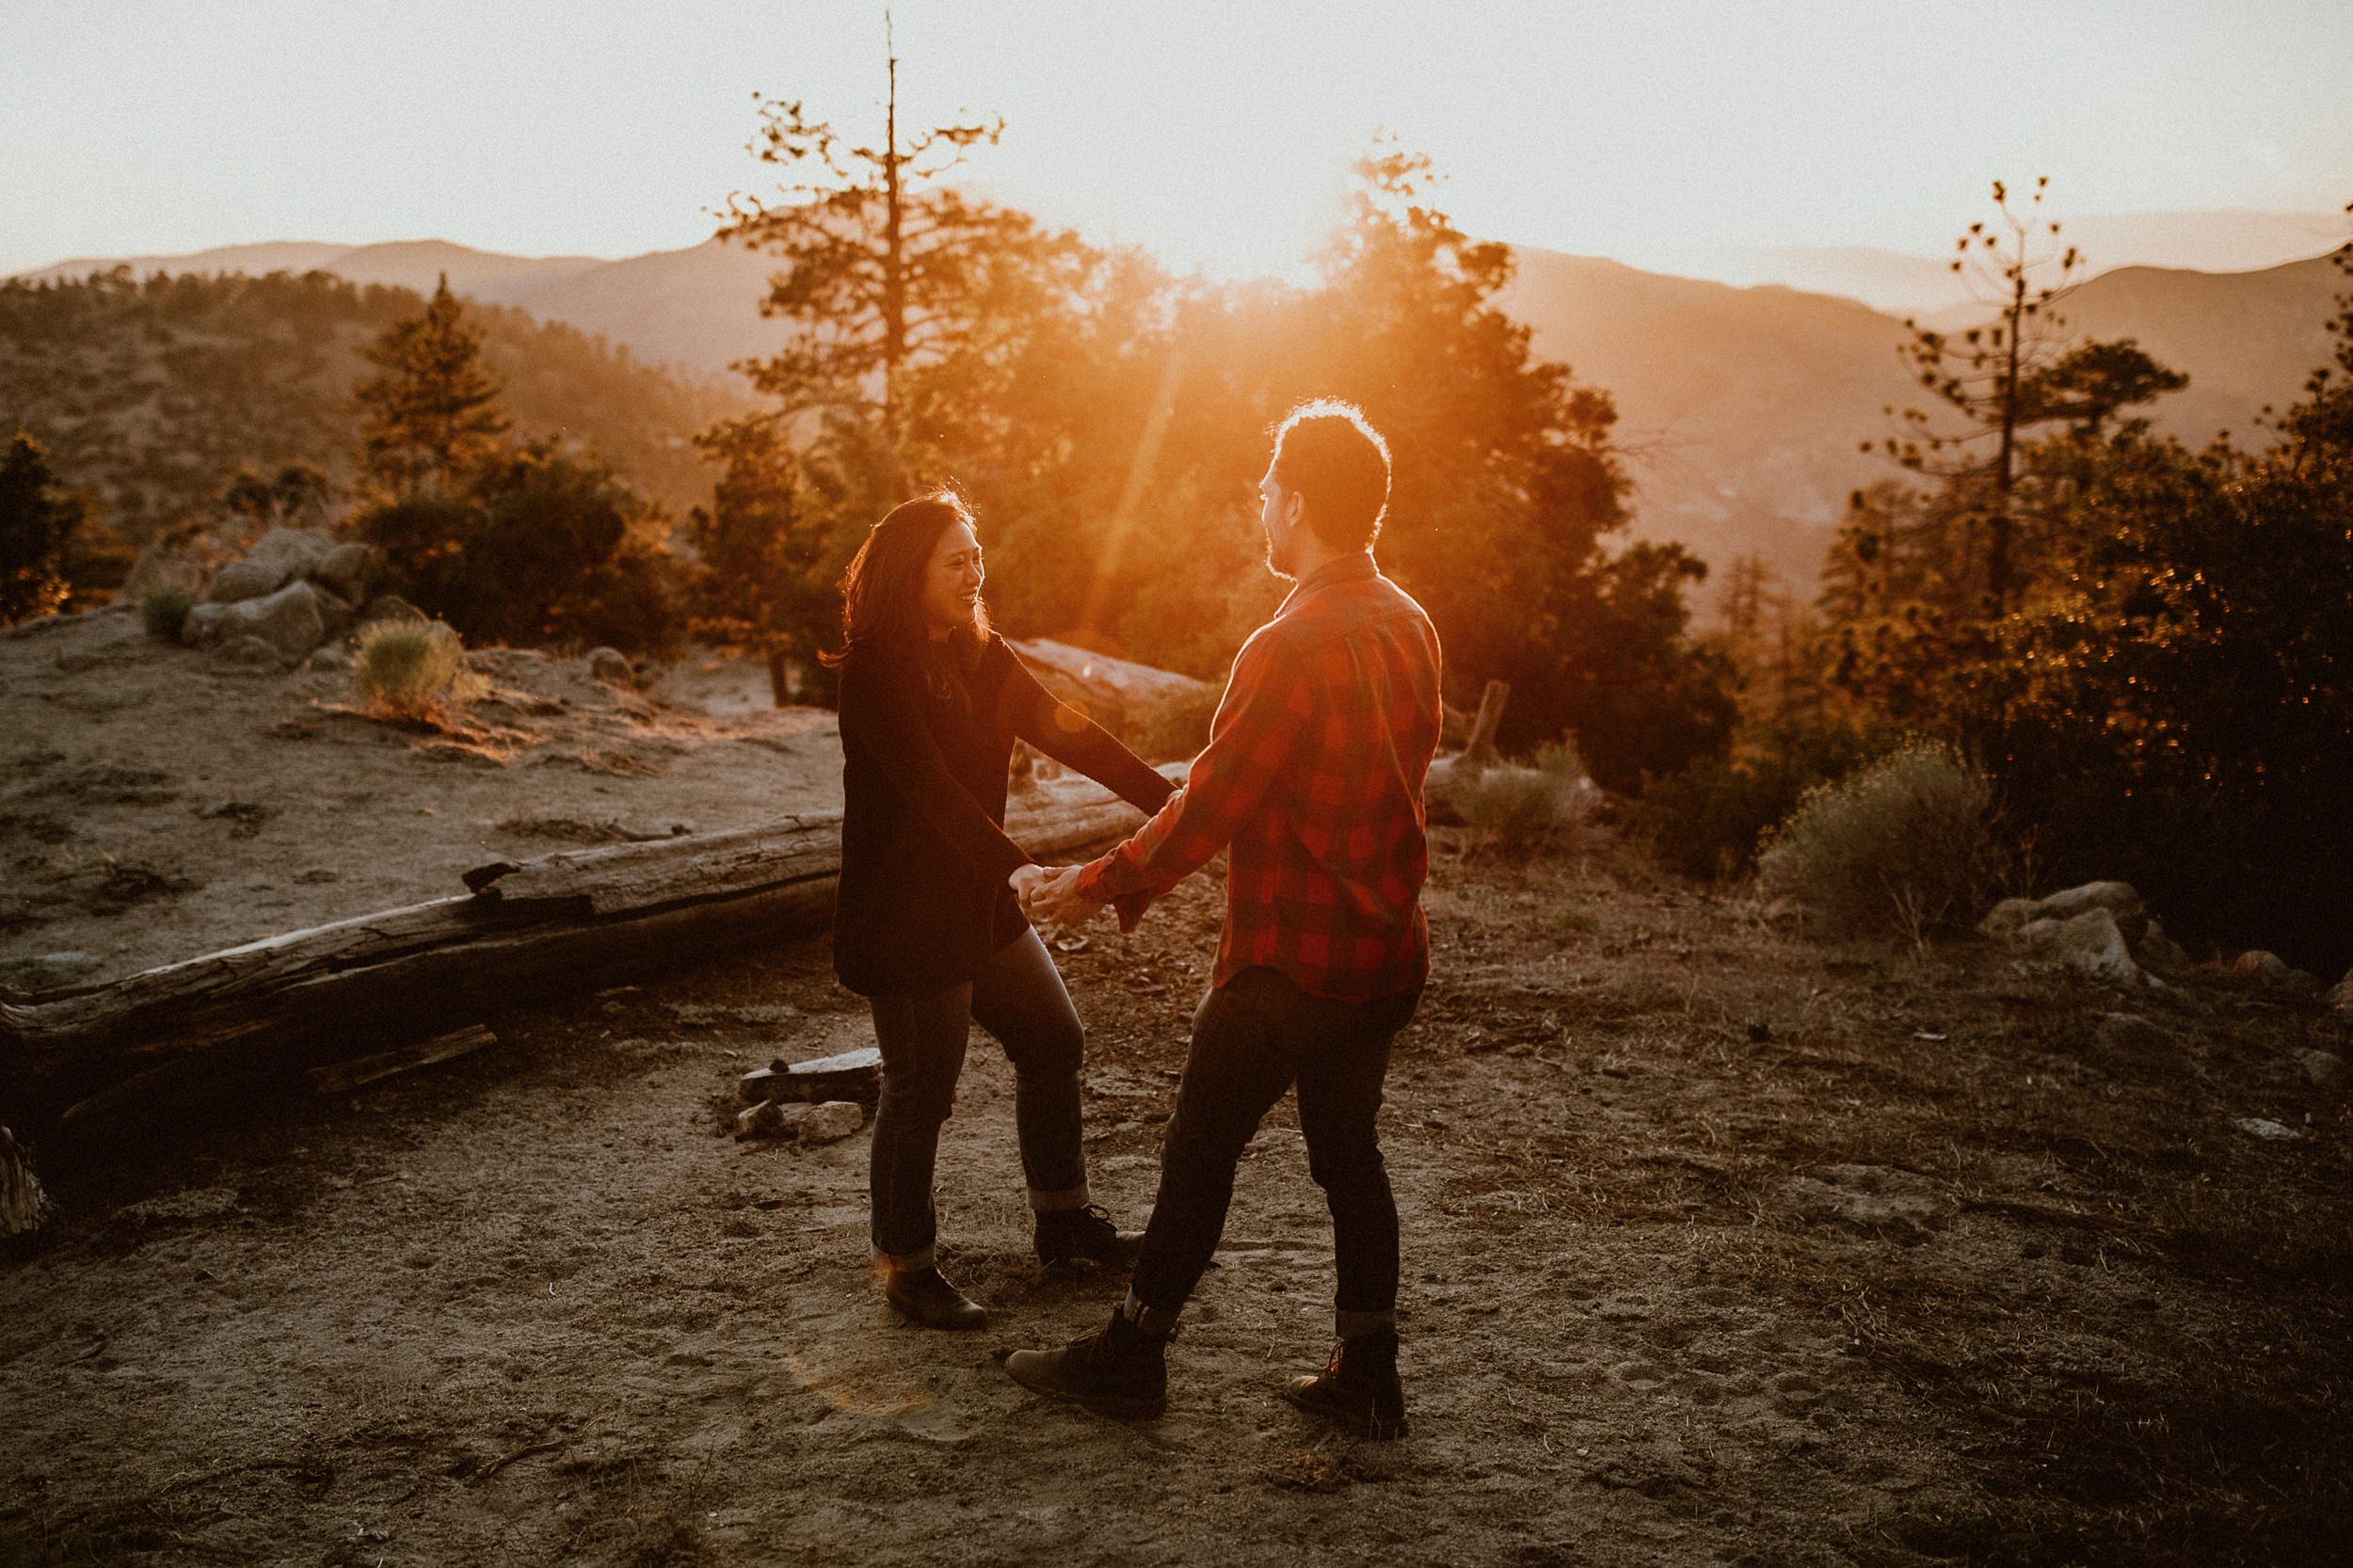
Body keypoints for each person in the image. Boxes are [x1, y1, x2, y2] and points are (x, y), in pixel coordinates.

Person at [1004, 401, 1443, 1438]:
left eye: (1265, 490)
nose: (1258, 503)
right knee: (1350, 1160)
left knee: (1199, 1153)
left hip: (1286, 966)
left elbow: (1213, 805)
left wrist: (1095, 882)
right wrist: (1131, 881)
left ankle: (1134, 1352)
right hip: (1381, 954)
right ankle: (1367, 1371)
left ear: (1294, 503)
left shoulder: (1286, 642)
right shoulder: (1409, 621)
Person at [827, 489, 1175, 1330]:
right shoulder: (877, 669)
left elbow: (1074, 733)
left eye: (977, 557)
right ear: (911, 575)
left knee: (1054, 1040)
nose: (975, 574)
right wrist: (1018, 870)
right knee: (921, 1091)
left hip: (977, 904)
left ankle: (1063, 1222)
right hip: (906, 917)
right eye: (957, 561)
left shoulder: (983, 655)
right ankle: (905, 1266)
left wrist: (1171, 805)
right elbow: (933, 795)